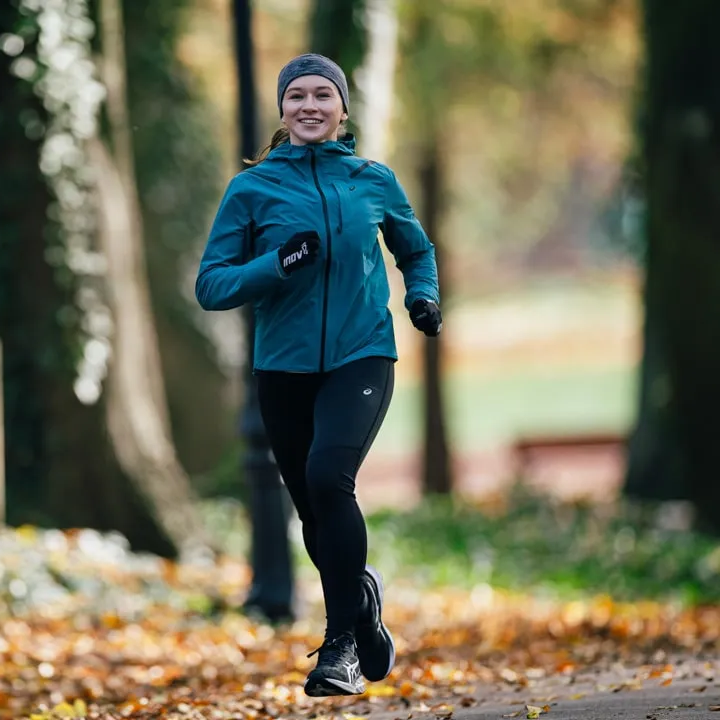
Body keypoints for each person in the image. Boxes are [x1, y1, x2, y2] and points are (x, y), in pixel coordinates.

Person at [194, 53, 442, 698]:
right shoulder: (251, 189)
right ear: (282, 109)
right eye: (296, 95)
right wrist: (277, 264)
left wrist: (423, 296)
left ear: (343, 107)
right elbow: (212, 286)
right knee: (315, 511)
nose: (309, 105)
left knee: (330, 477)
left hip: (362, 356)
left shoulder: (372, 179)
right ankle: (361, 597)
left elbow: (416, 248)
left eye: (322, 95)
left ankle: (341, 648)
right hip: (284, 368)